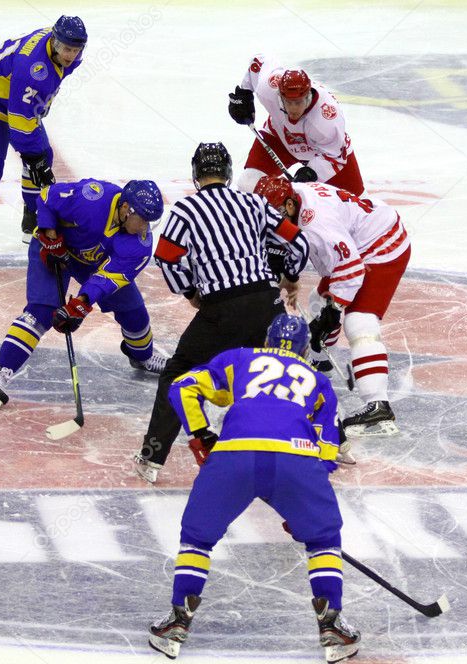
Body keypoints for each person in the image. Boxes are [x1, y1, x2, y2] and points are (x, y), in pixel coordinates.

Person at [148, 314, 360, 664]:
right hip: (296, 458)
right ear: (304, 350)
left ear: (266, 341)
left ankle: (176, 624)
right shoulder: (319, 381)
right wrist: (301, 510)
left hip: (235, 454)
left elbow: (182, 387)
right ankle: (333, 629)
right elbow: (326, 450)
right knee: (323, 540)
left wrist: (200, 436)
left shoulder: (239, 358)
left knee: (197, 539)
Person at [132, 143, 309, 484]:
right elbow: (298, 242)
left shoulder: (186, 210)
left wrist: (190, 292)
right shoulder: (254, 203)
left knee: (178, 375)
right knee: (278, 372)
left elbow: (166, 258)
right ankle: (317, 444)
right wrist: (289, 277)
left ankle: (152, 458)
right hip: (266, 304)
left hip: (221, 308)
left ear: (196, 174)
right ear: (228, 173)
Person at [0, 178, 167, 409]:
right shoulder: (92, 198)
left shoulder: (139, 244)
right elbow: (46, 197)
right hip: (54, 249)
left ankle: (142, 357)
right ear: (125, 208)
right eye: (142, 219)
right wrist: (50, 237)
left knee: (134, 311)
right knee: (41, 312)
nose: (145, 227)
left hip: (92, 264)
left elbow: (106, 280)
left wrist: (80, 305)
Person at [255, 176, 410, 436]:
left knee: (358, 320)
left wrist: (335, 310)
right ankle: (321, 362)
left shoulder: (317, 225)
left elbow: (352, 268)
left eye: (278, 214)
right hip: (358, 238)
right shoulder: (292, 196)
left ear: (291, 205)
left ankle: (378, 404)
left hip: (382, 244)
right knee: (319, 301)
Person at [0, 16, 87, 265]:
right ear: (54, 42)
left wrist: (38, 158)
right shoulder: (33, 69)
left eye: (75, 50)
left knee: (42, 156)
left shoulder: (67, 50)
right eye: (67, 49)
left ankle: (33, 217)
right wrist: (35, 159)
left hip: (16, 93)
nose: (71, 55)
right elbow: (19, 124)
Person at [227, 53, 365, 196]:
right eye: (288, 102)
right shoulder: (269, 88)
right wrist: (244, 93)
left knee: (358, 201)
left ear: (308, 96)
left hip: (323, 152)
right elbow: (258, 62)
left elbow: (335, 156)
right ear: (280, 96)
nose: (293, 109)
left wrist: (311, 172)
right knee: (248, 183)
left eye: (298, 102)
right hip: (279, 138)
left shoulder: (327, 119)